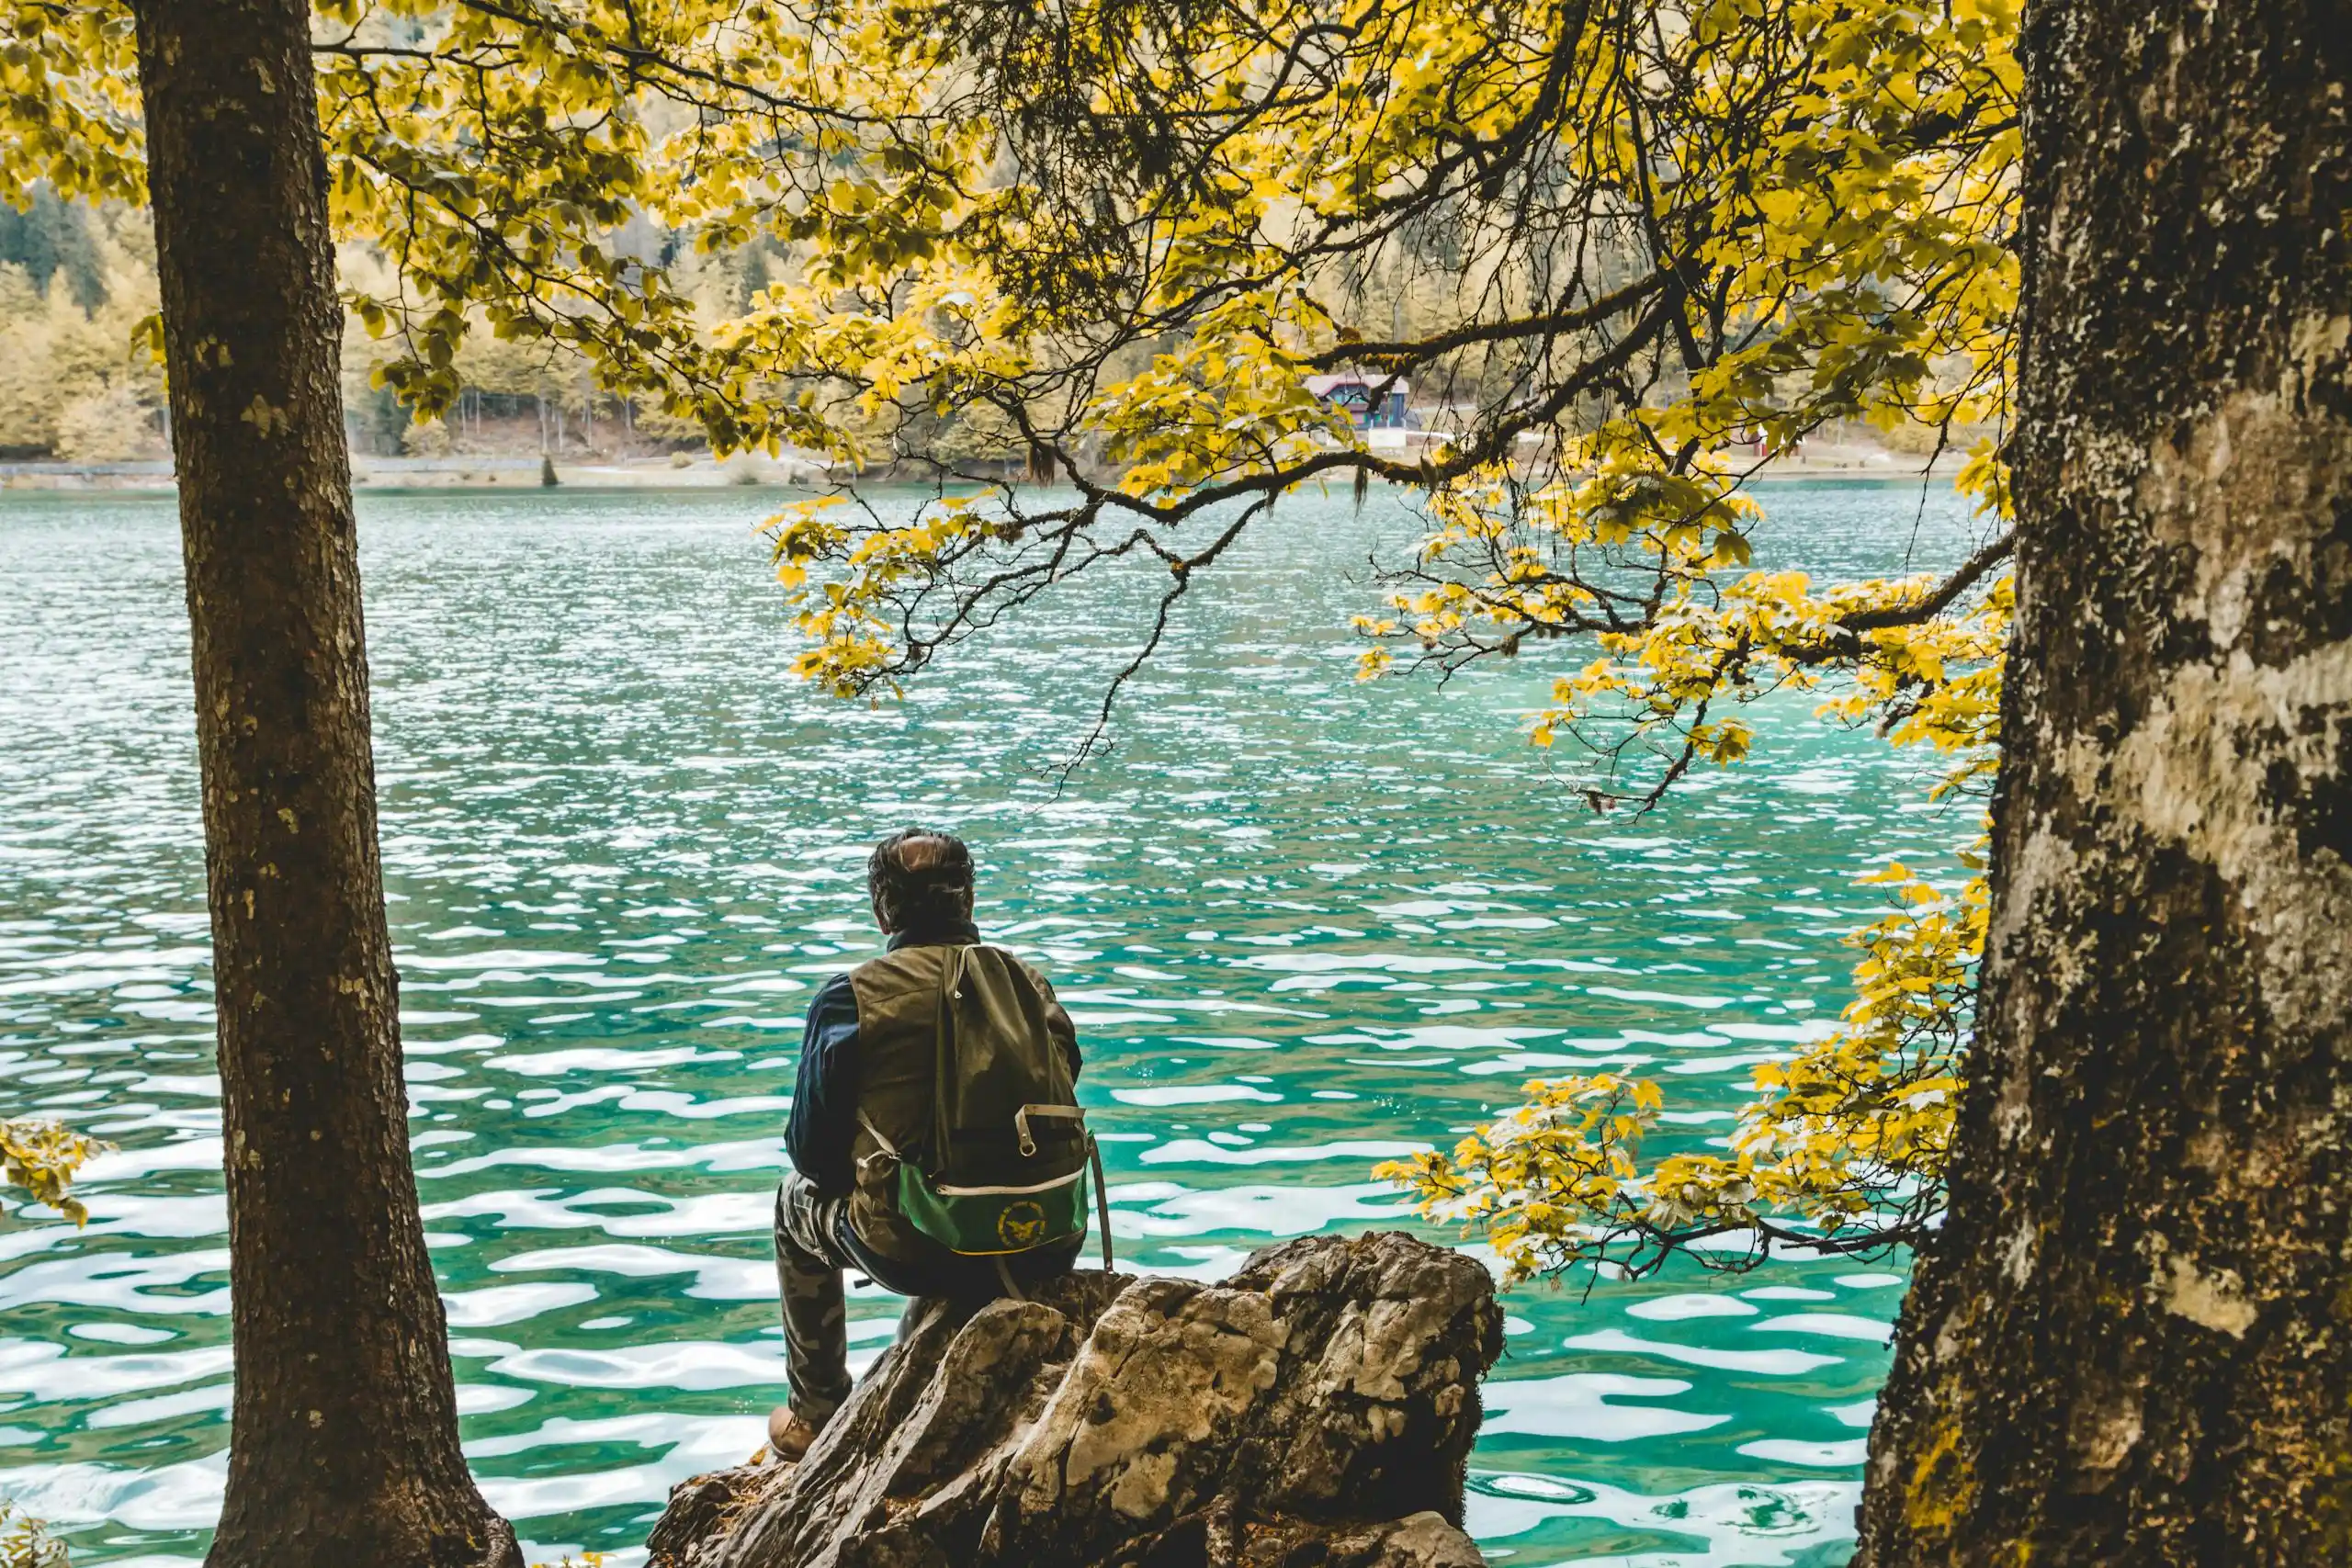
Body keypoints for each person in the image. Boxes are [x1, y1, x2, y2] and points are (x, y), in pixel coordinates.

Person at [768, 828, 1088, 1460]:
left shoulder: (850, 997)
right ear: (967, 899)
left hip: (917, 1249)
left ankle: (816, 1409)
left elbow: (810, 1154)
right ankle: (922, 1348)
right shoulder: (1030, 983)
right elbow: (1065, 1082)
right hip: (1045, 1236)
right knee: (945, 1180)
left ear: (881, 906)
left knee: (794, 1204)